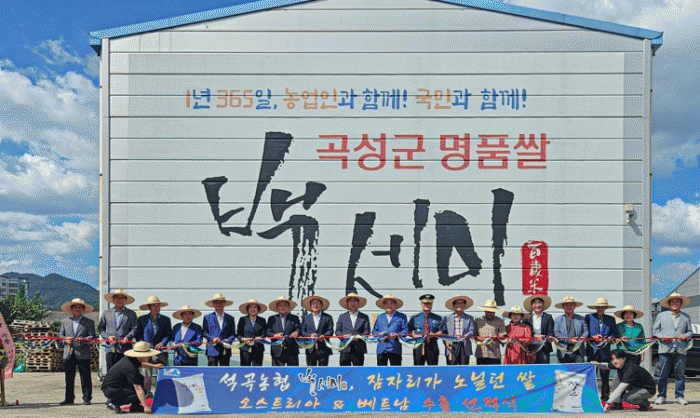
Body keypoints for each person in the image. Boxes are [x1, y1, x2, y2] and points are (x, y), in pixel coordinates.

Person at [653, 292, 693, 405]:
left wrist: (685, 336)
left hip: (680, 349)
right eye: (673, 302)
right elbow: (655, 331)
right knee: (662, 374)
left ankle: (679, 396)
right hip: (665, 348)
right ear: (669, 303)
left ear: (681, 303)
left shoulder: (686, 317)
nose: (675, 303)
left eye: (677, 302)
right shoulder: (661, 315)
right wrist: (663, 337)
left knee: (680, 374)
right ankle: (661, 396)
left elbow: (690, 332)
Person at [102, 341, 164, 414]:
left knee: (140, 379)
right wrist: (146, 407)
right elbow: (138, 388)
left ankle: (135, 406)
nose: (148, 357)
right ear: (140, 355)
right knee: (141, 392)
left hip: (115, 386)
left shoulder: (131, 359)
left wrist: (154, 366)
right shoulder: (131, 367)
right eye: (147, 355)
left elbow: (140, 364)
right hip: (111, 389)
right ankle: (113, 403)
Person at [59, 298, 96, 406]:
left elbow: (92, 337)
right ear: (71, 309)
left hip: (83, 352)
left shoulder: (89, 322)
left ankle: (87, 398)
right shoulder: (65, 321)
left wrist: (83, 340)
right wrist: (65, 340)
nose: (78, 309)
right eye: (75, 307)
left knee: (85, 376)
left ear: (83, 309)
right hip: (69, 352)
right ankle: (69, 398)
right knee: (69, 377)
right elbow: (61, 335)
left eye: (80, 307)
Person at [135, 295, 171, 395]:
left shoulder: (166, 320)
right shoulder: (142, 319)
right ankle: (147, 394)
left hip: (161, 351)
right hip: (146, 352)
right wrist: (143, 344)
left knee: (163, 373)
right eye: (153, 305)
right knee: (146, 374)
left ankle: (163, 393)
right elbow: (137, 335)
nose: (156, 307)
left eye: (158, 305)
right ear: (149, 307)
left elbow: (168, 334)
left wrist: (162, 342)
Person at [585, 297, 619, 402]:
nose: (600, 309)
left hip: (605, 350)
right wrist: (593, 337)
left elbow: (615, 334)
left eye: (602, 307)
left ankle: (605, 397)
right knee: (591, 375)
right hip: (592, 350)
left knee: (605, 375)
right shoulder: (589, 317)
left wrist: (610, 338)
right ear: (595, 308)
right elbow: (585, 332)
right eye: (598, 307)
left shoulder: (611, 319)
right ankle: (591, 396)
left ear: (605, 308)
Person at [98, 289, 139, 371]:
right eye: (117, 298)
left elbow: (135, 328)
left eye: (122, 298)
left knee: (125, 371)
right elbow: (101, 327)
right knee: (111, 371)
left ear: (125, 300)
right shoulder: (106, 313)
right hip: (110, 348)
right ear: (113, 300)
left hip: (125, 348)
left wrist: (128, 337)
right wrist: (107, 337)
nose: (119, 300)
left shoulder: (131, 314)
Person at [408, 294, 447, 366]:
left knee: (433, 368)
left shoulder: (438, 318)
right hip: (419, 344)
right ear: (421, 304)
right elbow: (408, 331)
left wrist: (434, 334)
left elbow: (443, 330)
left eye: (429, 303)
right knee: (418, 368)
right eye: (425, 303)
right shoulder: (415, 318)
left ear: (432, 305)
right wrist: (415, 336)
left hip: (432, 344)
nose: (427, 305)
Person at [335, 293, 371, 366]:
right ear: (347, 304)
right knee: (344, 370)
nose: (352, 303)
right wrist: (344, 336)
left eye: (355, 301)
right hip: (345, 348)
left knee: (358, 370)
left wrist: (359, 337)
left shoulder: (364, 317)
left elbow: (367, 331)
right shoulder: (342, 317)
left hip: (359, 348)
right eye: (350, 301)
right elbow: (337, 331)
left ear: (358, 303)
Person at [372, 294, 408, 366]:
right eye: (387, 304)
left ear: (395, 305)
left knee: (396, 370)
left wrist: (397, 335)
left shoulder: (401, 316)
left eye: (391, 303)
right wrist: (380, 335)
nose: (389, 305)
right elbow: (374, 332)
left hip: (395, 348)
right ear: (384, 305)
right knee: (381, 370)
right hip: (382, 348)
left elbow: (405, 331)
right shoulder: (380, 317)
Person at [266, 296, 301, 366]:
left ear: (288, 307)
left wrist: (297, 332)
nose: (283, 307)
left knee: (293, 372)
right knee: (277, 372)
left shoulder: (294, 318)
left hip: (292, 350)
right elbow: (267, 331)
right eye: (280, 305)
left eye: (285, 305)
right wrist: (274, 335)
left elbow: (299, 328)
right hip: (277, 351)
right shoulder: (272, 319)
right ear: (277, 307)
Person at [202, 293, 236, 366]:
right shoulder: (207, 317)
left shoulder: (230, 318)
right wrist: (212, 338)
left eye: (221, 302)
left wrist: (227, 340)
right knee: (212, 371)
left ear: (224, 304)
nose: (219, 304)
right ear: (213, 304)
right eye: (217, 302)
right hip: (212, 349)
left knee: (225, 371)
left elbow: (233, 334)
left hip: (225, 349)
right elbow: (204, 332)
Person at [553, 296, 589, 363]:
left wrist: (583, 337)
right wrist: (570, 341)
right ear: (563, 307)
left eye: (571, 304)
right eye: (566, 305)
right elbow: (557, 334)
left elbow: (586, 331)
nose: (569, 306)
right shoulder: (558, 320)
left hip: (578, 350)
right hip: (563, 350)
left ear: (574, 306)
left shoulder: (581, 319)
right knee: (564, 370)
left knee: (579, 369)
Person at [301, 295, 334, 366]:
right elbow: (303, 331)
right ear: (310, 306)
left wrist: (323, 336)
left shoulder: (328, 317)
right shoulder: (306, 318)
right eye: (313, 303)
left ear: (321, 305)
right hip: (310, 348)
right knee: (311, 370)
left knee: (322, 370)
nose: (315, 305)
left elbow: (330, 331)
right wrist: (310, 335)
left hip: (323, 348)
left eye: (318, 303)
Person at [443, 295, 476, 365]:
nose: (460, 305)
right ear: (454, 306)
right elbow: (443, 332)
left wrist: (465, 335)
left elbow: (472, 330)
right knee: (451, 369)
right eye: (457, 303)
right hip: (452, 345)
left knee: (464, 368)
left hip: (464, 345)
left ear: (465, 305)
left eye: (462, 303)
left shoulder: (469, 318)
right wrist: (446, 341)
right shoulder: (447, 318)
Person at [522, 295, 554, 364]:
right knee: (530, 369)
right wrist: (535, 336)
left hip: (544, 347)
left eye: (539, 303)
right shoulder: (526, 317)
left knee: (544, 368)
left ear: (543, 304)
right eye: (534, 303)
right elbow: (523, 332)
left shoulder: (548, 317)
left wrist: (549, 337)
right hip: (530, 348)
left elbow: (550, 332)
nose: (537, 305)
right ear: (531, 305)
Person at [474, 300, 506, 365]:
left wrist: (497, 337)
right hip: (481, 353)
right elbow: (474, 335)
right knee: (482, 371)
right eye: (488, 311)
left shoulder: (499, 321)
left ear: (495, 311)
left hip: (495, 353)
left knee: (495, 371)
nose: (490, 313)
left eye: (492, 312)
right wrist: (480, 338)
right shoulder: (478, 320)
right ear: (485, 310)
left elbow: (502, 335)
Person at [237, 299, 268, 366]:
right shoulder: (242, 320)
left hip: (258, 348)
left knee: (257, 369)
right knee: (245, 369)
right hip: (245, 348)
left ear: (258, 309)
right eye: (250, 307)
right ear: (247, 309)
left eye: (255, 307)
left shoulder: (262, 320)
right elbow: (238, 335)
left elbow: (264, 333)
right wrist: (244, 339)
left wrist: (260, 338)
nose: (253, 309)